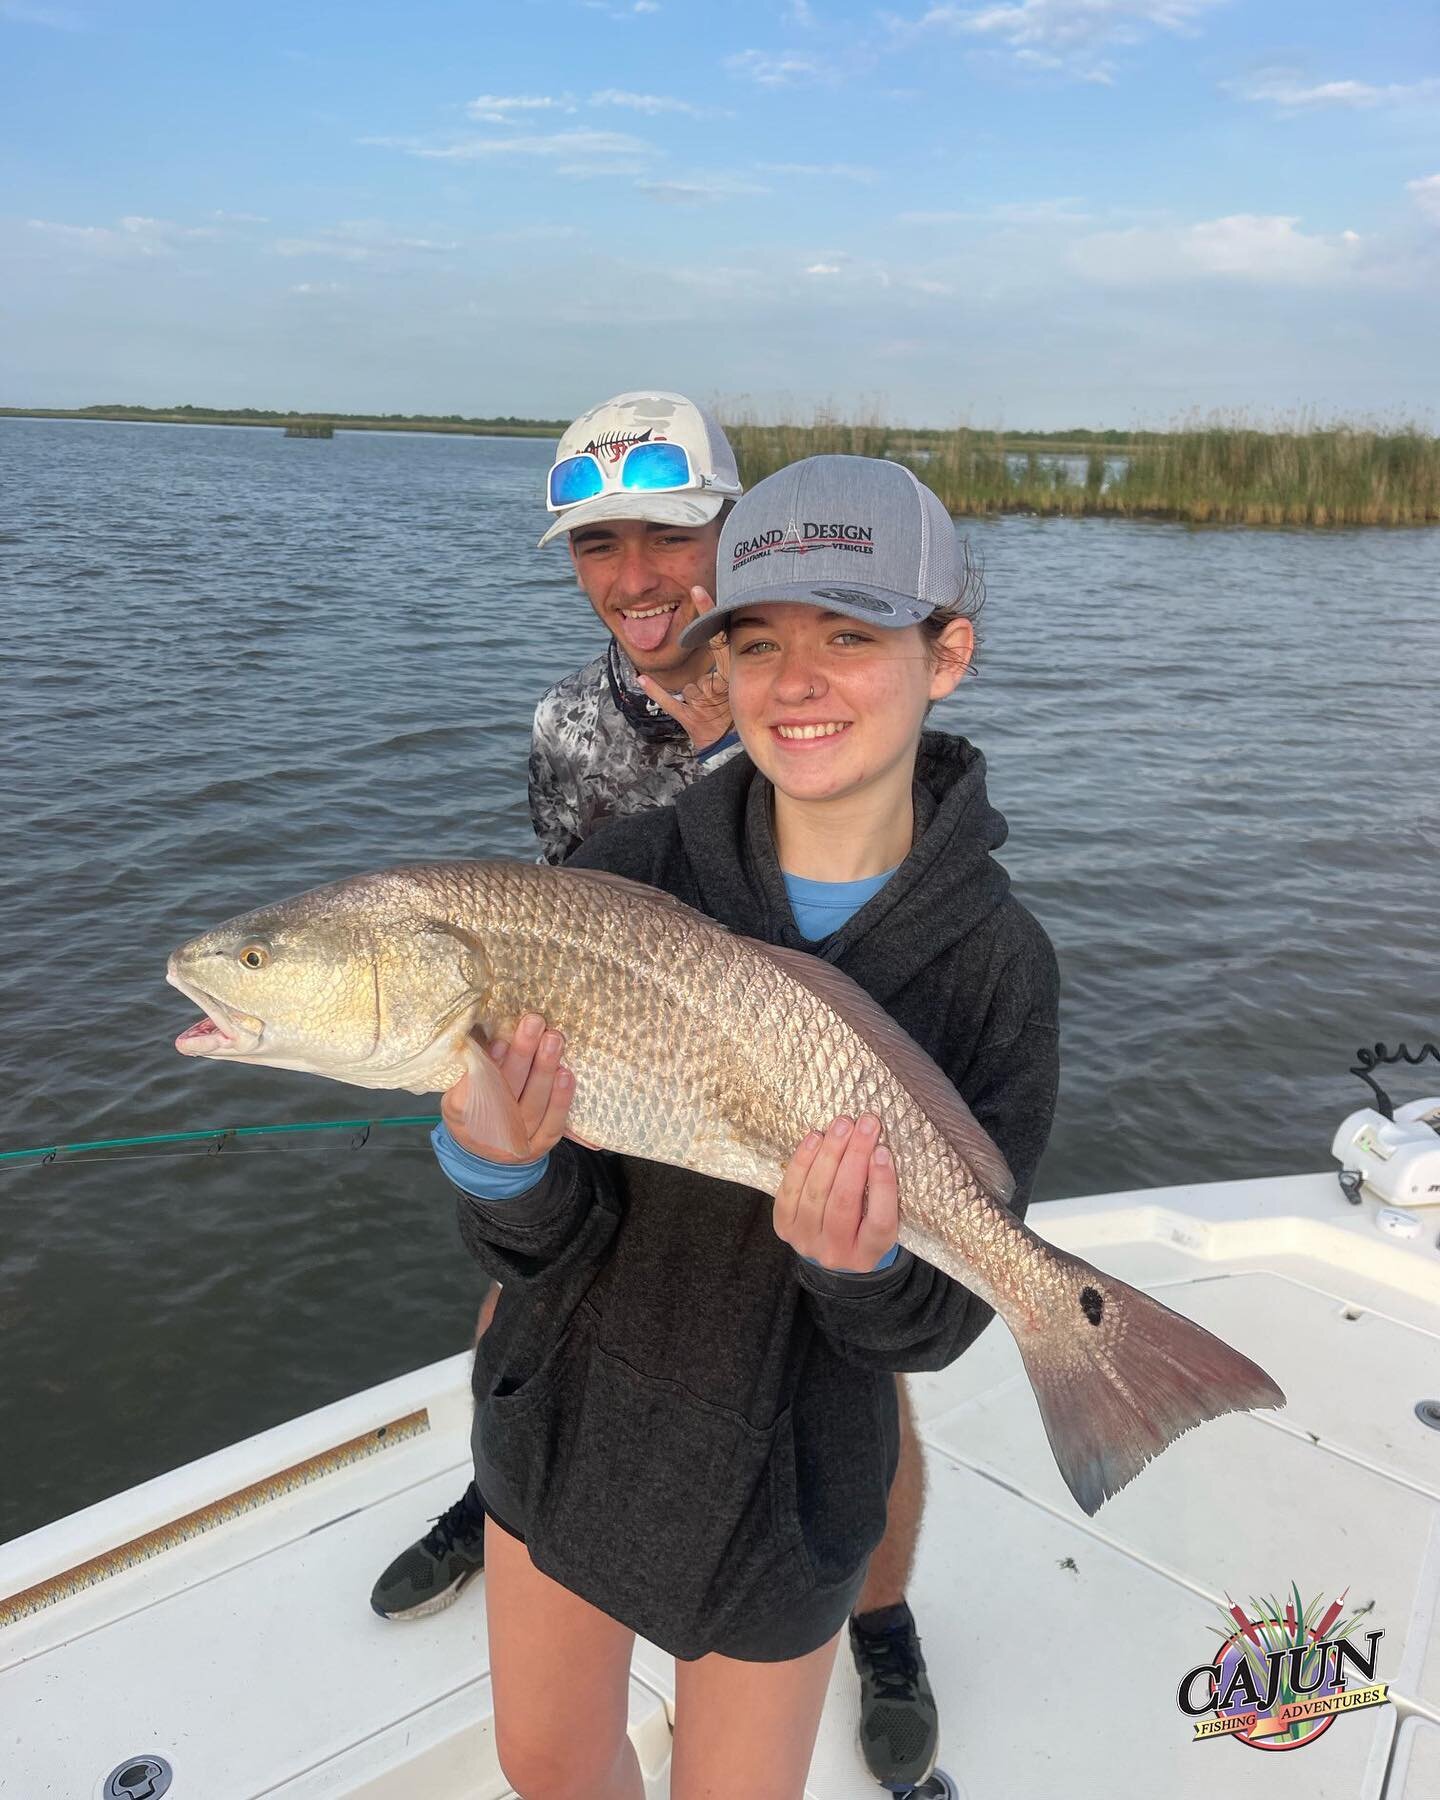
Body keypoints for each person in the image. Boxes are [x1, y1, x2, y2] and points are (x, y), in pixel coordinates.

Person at [427, 454, 1061, 1798]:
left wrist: (864, 1266)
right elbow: (541, 1250)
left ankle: (885, 1632)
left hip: (789, 1481)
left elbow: (934, 1328)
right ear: (717, 665)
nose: (796, 679)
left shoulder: (997, 966)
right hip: (571, 1433)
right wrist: (501, 1167)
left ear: (948, 653)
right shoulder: (623, 881)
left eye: (852, 634)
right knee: (548, 1766)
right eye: (758, 641)